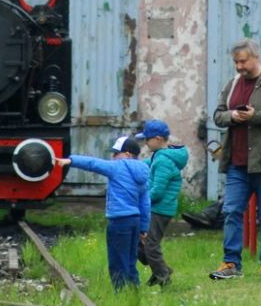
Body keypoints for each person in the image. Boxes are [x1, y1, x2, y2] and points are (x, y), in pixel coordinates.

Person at [209, 38, 261, 279]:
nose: (239, 67)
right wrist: (233, 116)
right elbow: (217, 115)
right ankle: (230, 264)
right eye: (236, 62)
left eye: (243, 61)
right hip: (237, 162)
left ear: (255, 57)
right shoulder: (233, 83)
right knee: (231, 211)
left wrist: (256, 116)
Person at [55, 135, 150, 290]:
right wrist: (144, 228)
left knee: (117, 260)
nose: (112, 157)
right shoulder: (144, 172)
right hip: (135, 221)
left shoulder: (118, 167)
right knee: (131, 259)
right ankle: (134, 291)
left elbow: (93, 164)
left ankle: (120, 294)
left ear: (126, 154)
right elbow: (145, 203)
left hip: (119, 222)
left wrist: (70, 160)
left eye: (115, 153)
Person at [134, 119, 187, 287]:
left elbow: (157, 191)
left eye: (146, 139)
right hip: (156, 208)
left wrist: (140, 199)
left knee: (150, 245)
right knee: (140, 242)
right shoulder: (159, 156)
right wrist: (128, 166)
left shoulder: (164, 160)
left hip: (160, 210)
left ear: (157, 139)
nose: (145, 143)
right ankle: (160, 270)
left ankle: (163, 276)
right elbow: (145, 164)